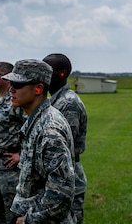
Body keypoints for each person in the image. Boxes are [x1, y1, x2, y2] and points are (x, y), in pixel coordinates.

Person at [2, 59, 76, 224]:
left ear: (38, 88)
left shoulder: (49, 130)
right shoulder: (38, 121)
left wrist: (29, 220)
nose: (11, 89)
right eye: (11, 83)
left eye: (17, 84)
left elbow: (61, 193)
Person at [43, 53, 88, 224]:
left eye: (47, 71)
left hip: (67, 180)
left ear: (62, 73)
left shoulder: (68, 103)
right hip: (56, 177)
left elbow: (64, 146)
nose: (42, 75)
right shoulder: (54, 101)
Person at [0, 61, 27, 224]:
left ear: (9, 78)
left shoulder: (16, 100)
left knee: (12, 213)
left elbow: (32, 128)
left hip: (9, 168)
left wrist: (21, 155)